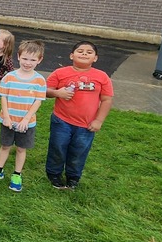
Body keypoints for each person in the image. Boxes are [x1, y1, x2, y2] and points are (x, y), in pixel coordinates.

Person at [45, 41, 114, 189]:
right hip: (61, 120)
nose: (84, 54)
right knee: (58, 147)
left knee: (79, 151)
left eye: (89, 52)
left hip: (86, 124)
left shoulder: (101, 76)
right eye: (80, 51)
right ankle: (54, 174)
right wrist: (58, 93)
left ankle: (73, 177)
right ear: (71, 55)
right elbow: (45, 91)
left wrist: (99, 121)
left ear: (95, 58)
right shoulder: (60, 73)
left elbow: (107, 100)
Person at [0, 40, 46, 192]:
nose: (28, 63)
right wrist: (7, 117)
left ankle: (17, 174)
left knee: (21, 149)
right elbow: (3, 97)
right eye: (25, 58)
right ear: (18, 57)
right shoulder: (9, 77)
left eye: (32, 60)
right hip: (8, 120)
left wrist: (26, 119)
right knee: (5, 146)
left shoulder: (39, 80)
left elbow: (38, 102)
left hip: (26, 123)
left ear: (40, 60)